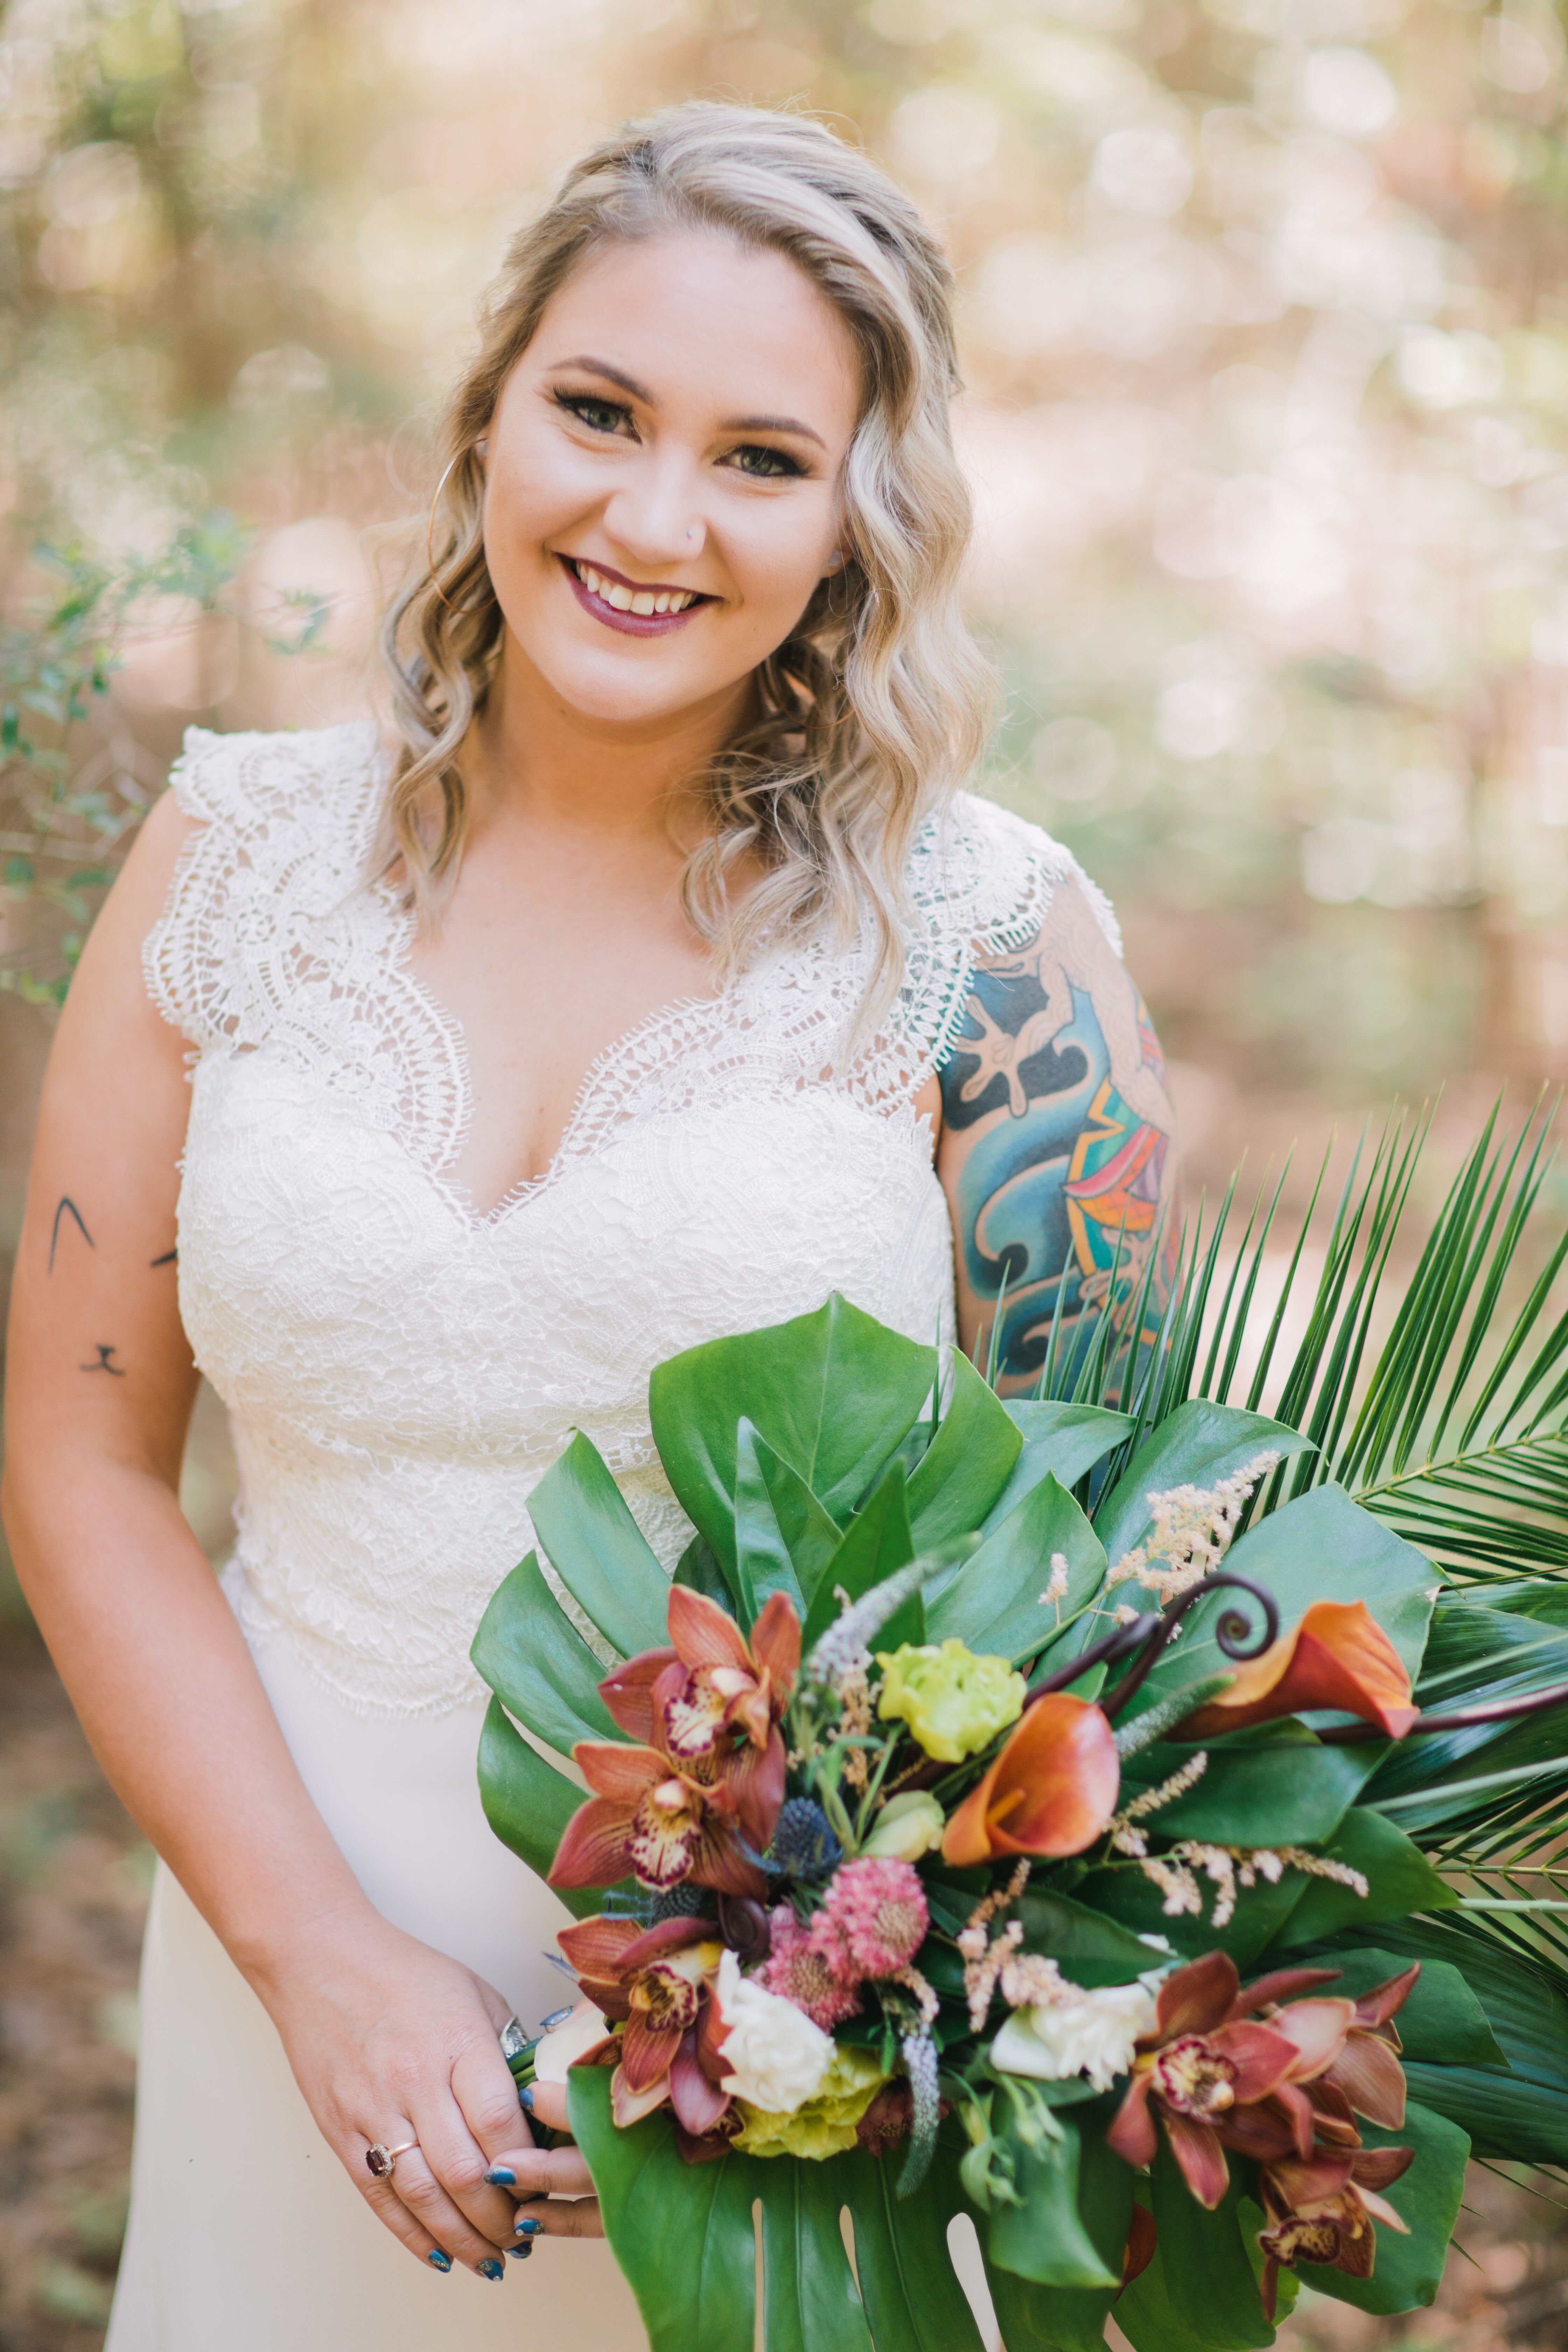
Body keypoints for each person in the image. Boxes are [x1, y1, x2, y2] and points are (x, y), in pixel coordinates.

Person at [2, 102, 1178, 2351]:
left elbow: (1117, 1562)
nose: (650, 518)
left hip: (803, 2069)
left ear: (865, 517)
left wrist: (805, 2008)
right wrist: (313, 1963)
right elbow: (79, 1460)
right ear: (489, 421)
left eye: (759, 455)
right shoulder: (228, 864)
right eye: (599, 411)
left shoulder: (993, 950)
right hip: (288, 1965)